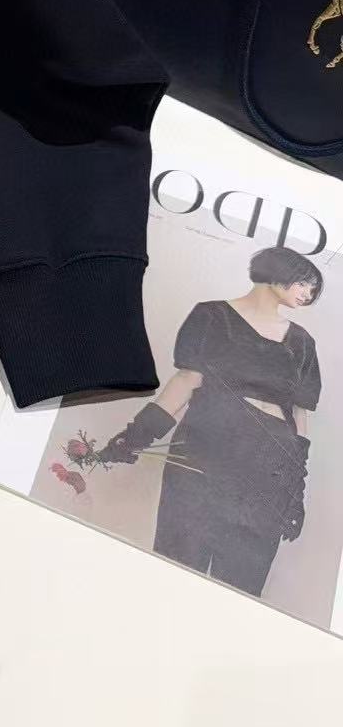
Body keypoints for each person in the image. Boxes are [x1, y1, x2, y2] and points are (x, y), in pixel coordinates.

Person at [97, 247, 323, 597]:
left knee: (239, 589)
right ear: (278, 271)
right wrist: (135, 437)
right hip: (205, 453)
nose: (308, 294)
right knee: (176, 570)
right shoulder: (212, 316)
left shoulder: (303, 343)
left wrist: (295, 492)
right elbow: (186, 382)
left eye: (313, 289)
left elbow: (299, 415)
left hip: (267, 472)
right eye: (304, 283)